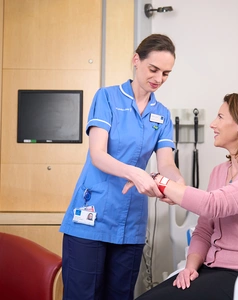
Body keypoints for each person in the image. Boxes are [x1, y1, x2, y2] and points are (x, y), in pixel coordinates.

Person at [59, 33, 184, 300]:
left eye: (166, 73)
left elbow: (166, 163)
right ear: (136, 61)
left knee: (120, 295)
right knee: (83, 295)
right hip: (91, 217)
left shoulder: (161, 114)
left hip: (130, 224)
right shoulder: (107, 98)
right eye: (153, 69)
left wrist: (178, 186)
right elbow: (98, 155)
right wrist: (134, 172)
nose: (159, 79)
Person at [132, 93, 238, 300]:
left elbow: (214, 204)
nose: (213, 124)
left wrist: (158, 181)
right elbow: (204, 229)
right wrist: (190, 268)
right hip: (214, 269)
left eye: (220, 117)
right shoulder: (219, 172)